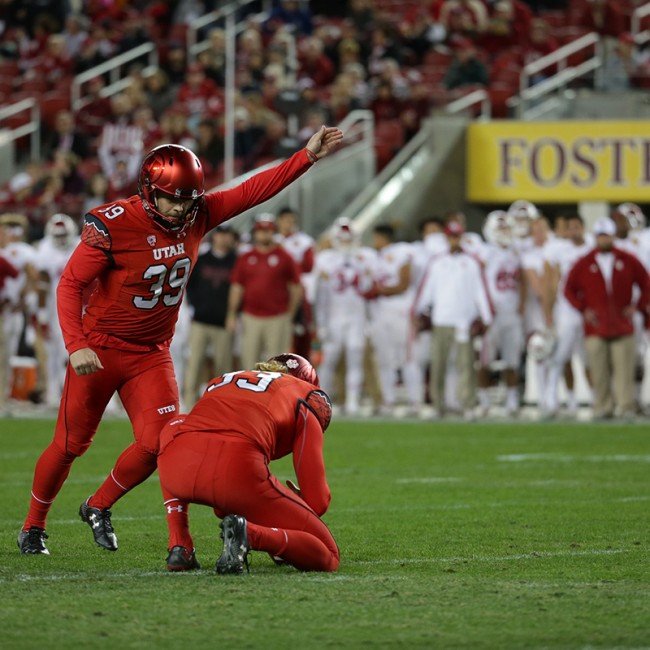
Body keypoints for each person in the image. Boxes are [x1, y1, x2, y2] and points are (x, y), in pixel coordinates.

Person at [17, 125, 343, 557]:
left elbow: (252, 191)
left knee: (161, 442)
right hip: (101, 347)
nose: (179, 209)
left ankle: (97, 506)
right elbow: (70, 285)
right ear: (149, 191)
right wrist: (76, 344)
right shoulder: (114, 223)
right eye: (171, 198)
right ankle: (33, 526)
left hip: (151, 354)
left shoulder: (200, 212)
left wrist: (306, 156)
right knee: (71, 444)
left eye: (187, 200)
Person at [157, 352, 339, 574]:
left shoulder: (224, 380)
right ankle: (250, 535)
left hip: (175, 466)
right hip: (234, 471)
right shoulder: (306, 394)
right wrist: (293, 509)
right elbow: (318, 501)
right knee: (329, 554)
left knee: (176, 429)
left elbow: (221, 507)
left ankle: (179, 543)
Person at [564, 217, 650, 420]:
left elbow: (646, 283)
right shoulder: (584, 262)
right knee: (599, 370)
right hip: (595, 326)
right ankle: (602, 406)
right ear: (595, 237)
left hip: (622, 324)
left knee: (624, 370)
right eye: (600, 236)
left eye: (606, 235)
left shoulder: (628, 259)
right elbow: (568, 289)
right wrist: (583, 309)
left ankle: (625, 406)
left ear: (613, 236)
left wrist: (636, 307)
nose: (603, 239)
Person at [226, 214, 303, 373]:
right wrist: (232, 314)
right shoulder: (246, 257)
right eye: (260, 231)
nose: (264, 234)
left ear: (273, 232)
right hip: (251, 316)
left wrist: (290, 313)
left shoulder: (284, 256)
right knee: (249, 362)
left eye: (267, 231)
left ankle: (275, 397)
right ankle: (249, 397)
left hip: (277, 316)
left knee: (277, 364)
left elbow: (296, 287)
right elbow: (237, 288)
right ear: (254, 232)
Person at [183, 224, 238, 408]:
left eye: (227, 235)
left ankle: (220, 407)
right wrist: (194, 308)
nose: (223, 239)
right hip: (200, 320)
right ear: (214, 237)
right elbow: (190, 285)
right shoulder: (202, 258)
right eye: (221, 235)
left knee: (223, 369)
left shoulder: (236, 261)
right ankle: (189, 406)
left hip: (224, 322)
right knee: (194, 365)